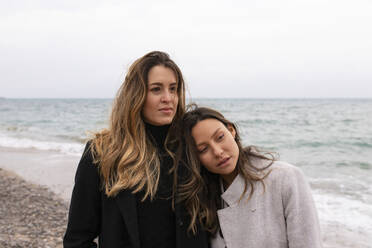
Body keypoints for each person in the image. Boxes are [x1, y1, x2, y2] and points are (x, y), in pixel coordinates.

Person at [63, 52, 208, 248]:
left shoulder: (192, 147)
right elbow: (77, 239)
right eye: (156, 89)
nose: (168, 98)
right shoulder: (102, 152)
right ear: (136, 94)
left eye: (173, 89)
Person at [180, 105, 322, 248]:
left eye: (220, 137)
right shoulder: (204, 200)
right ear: (196, 159)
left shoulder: (285, 178)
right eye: (203, 149)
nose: (217, 152)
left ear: (231, 130)